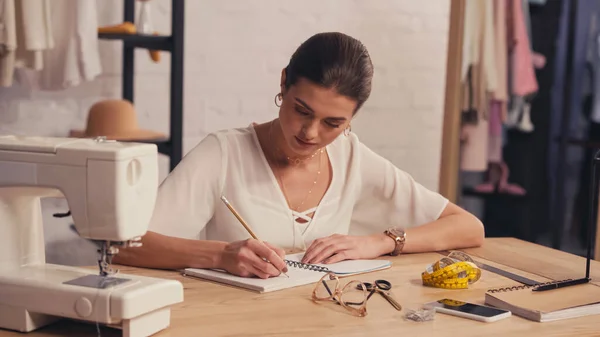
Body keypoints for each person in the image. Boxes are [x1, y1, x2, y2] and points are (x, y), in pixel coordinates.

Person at [112, 32, 484, 279]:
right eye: (302, 110)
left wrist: (377, 242)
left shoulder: (352, 157)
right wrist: (221, 255)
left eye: (332, 122)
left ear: (352, 118)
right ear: (283, 83)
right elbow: (124, 246)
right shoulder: (224, 154)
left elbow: (469, 227)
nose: (310, 133)